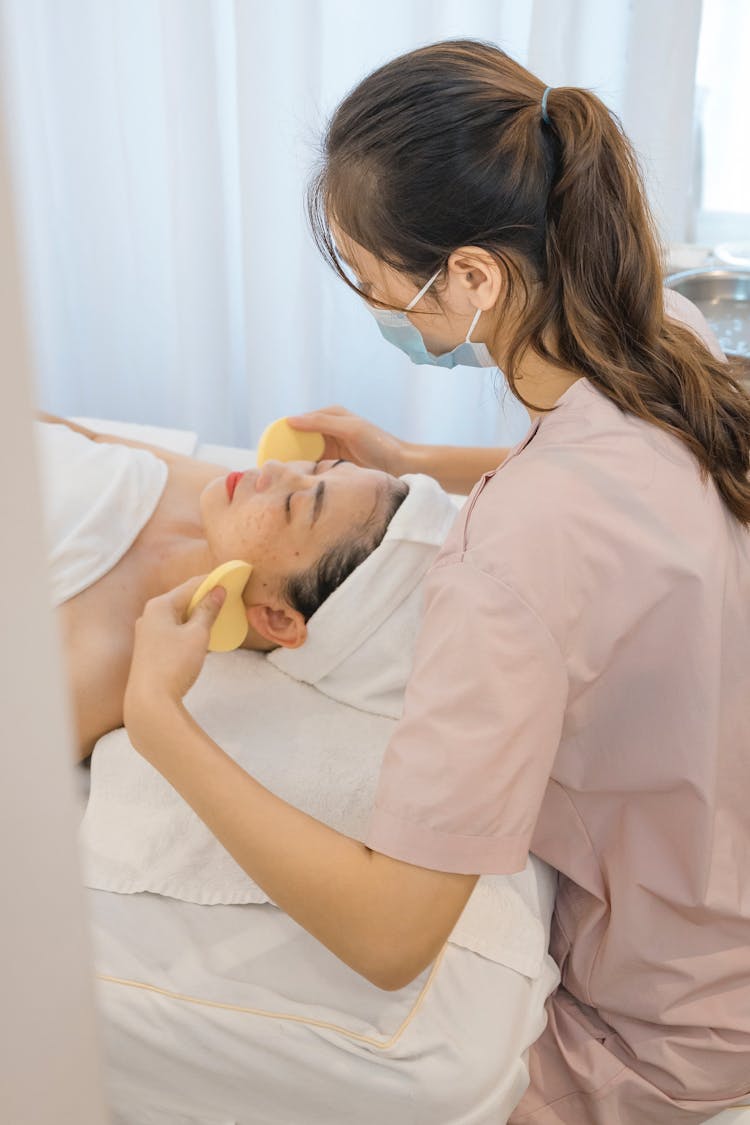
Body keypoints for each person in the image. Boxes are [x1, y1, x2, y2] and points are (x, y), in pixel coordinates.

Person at [121, 40, 750, 1123]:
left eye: (373, 282)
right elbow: (599, 480)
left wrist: (155, 715)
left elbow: (389, 934)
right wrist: (413, 465)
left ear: (470, 275)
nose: (379, 307)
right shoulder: (668, 343)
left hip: (677, 1019)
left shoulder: (507, 561)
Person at [35, 414, 408, 760]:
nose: (275, 468)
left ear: (277, 619)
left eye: (294, 504)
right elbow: (84, 436)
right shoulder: (217, 492)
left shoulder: (99, 664)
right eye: (318, 468)